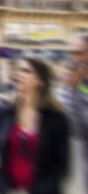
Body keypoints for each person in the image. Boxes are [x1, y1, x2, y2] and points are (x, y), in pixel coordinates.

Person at [0, 57, 70, 194]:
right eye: (18, 70)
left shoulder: (56, 118)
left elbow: (61, 167)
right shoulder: (4, 110)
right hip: (6, 189)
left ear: (40, 81)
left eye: (26, 71)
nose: (18, 74)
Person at [59, 34, 88, 188]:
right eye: (71, 53)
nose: (74, 58)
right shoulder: (68, 86)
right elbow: (75, 130)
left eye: (79, 53)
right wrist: (73, 90)